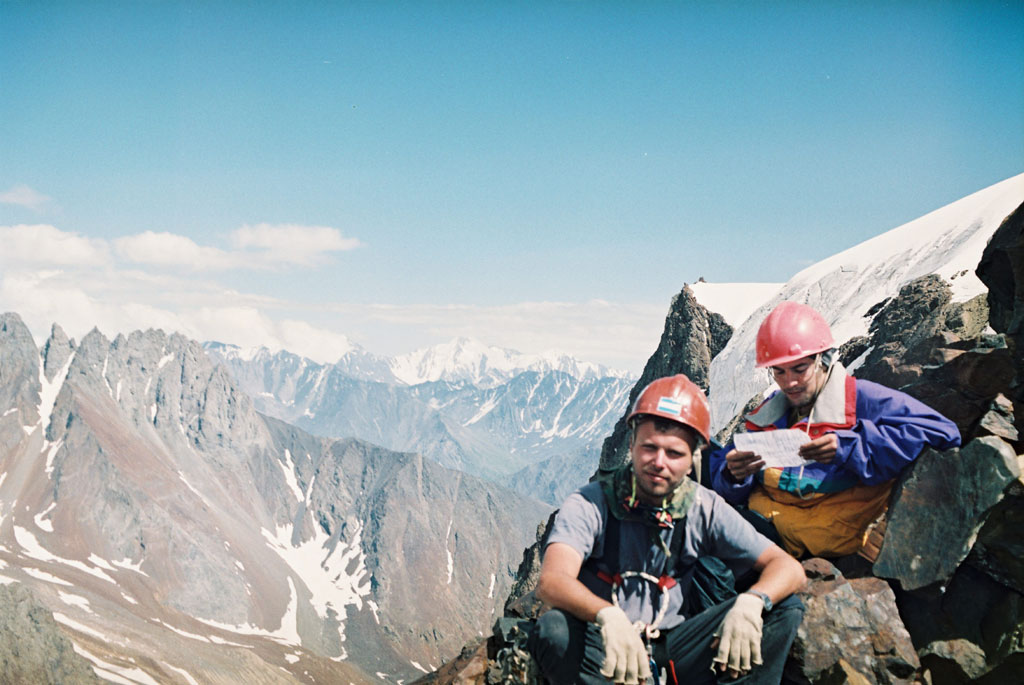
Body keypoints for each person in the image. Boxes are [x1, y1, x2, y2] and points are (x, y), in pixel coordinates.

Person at [528, 374, 806, 685]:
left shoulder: (704, 506)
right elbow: (552, 581)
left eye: (674, 453)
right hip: (604, 643)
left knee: (783, 608)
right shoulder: (590, 503)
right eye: (649, 448)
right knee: (555, 631)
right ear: (631, 445)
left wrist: (753, 602)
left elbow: (788, 568)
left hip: (674, 647)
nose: (659, 462)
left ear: (692, 459)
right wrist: (606, 615)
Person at [709, 301, 962, 559]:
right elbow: (723, 482)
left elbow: (942, 433)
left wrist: (849, 447)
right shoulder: (768, 414)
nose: (790, 382)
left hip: (823, 547)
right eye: (779, 371)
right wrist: (733, 475)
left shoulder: (861, 399)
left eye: (800, 368)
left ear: (824, 359)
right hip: (765, 531)